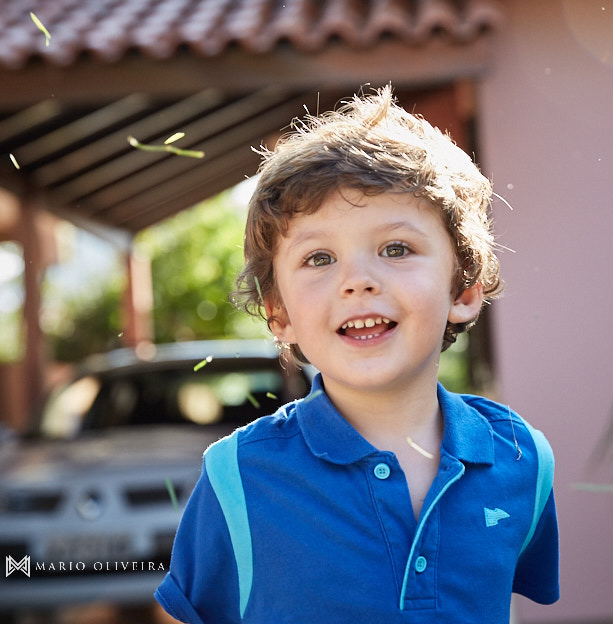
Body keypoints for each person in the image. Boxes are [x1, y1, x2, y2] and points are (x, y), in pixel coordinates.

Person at [154, 86, 559, 623]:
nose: (357, 281)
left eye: (396, 248)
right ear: (280, 313)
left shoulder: (522, 459)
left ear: (464, 290)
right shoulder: (237, 478)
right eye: (319, 258)